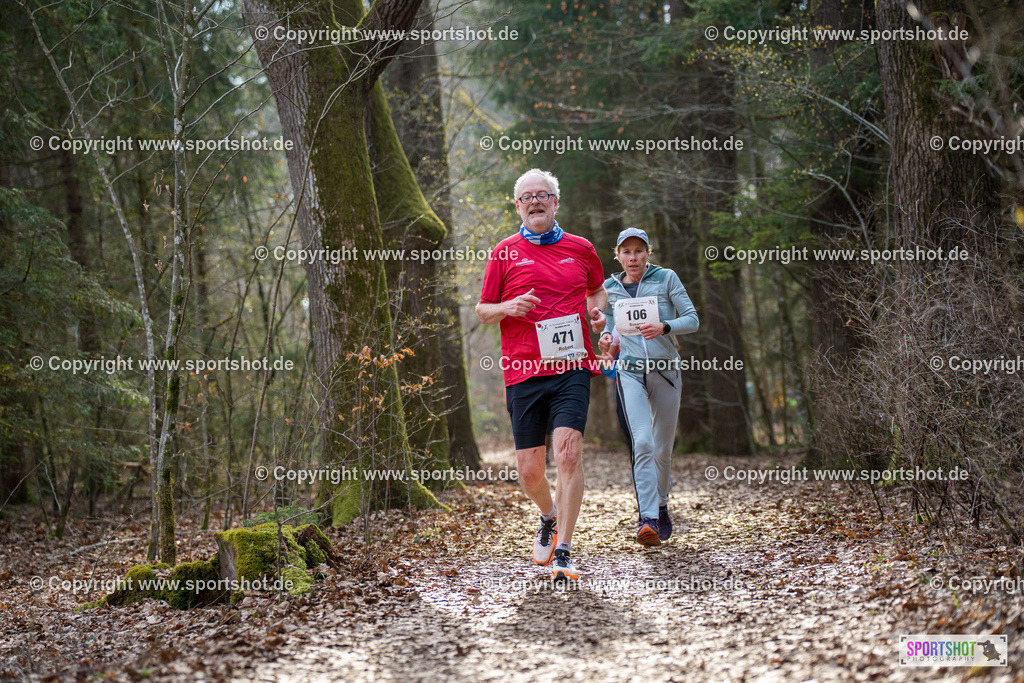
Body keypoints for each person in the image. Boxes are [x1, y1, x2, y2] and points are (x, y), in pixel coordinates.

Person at [476, 168, 607, 581]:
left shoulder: (581, 248)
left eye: (543, 195)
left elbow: (597, 290)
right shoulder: (504, 252)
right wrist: (507, 307)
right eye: (527, 197)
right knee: (530, 472)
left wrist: (597, 312)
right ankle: (548, 515)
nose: (535, 201)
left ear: (555, 201)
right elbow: (482, 310)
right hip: (523, 371)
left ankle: (564, 550)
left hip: (572, 365)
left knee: (567, 453)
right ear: (517, 206)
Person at [598, 228, 698, 547]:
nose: (633, 258)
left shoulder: (666, 278)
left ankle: (662, 503)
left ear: (648, 253)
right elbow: (610, 328)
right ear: (617, 256)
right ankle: (648, 518)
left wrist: (664, 327)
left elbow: (692, 319)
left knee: (662, 448)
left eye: (639, 251)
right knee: (642, 442)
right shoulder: (610, 288)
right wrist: (606, 340)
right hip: (629, 373)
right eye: (626, 252)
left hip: (666, 372)